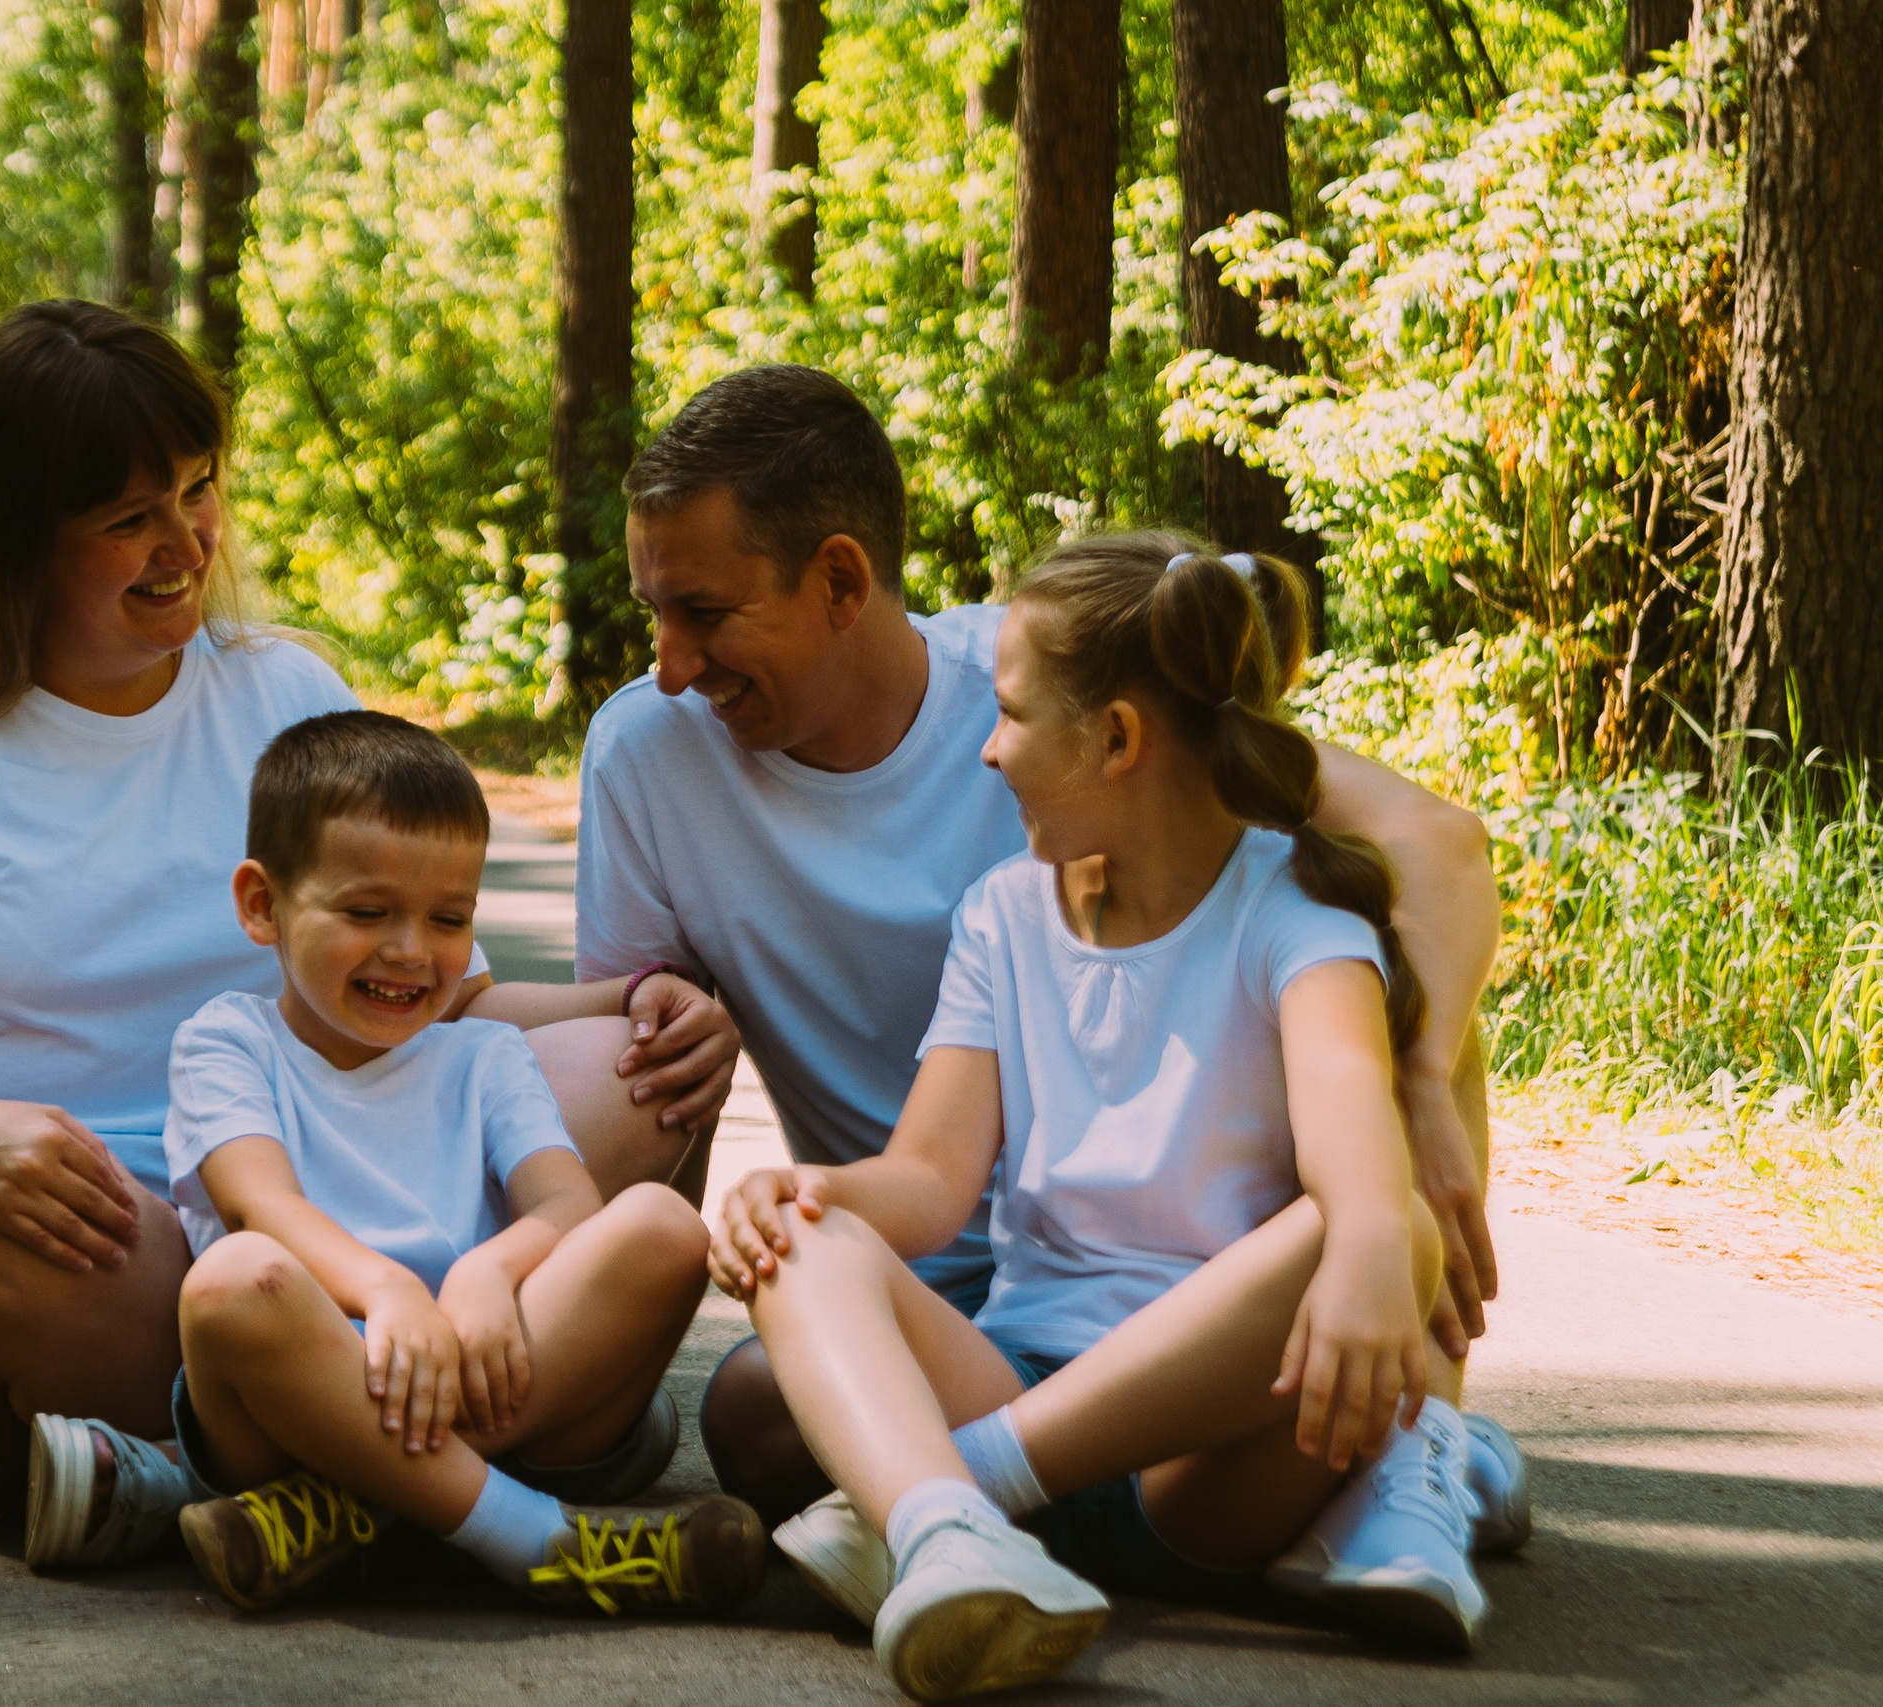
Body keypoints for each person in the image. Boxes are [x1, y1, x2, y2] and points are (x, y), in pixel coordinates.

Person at [0, 301, 739, 1555]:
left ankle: (262, 1488)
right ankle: (531, 1429)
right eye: (127, 519)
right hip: (72, 1251)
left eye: (197, 492)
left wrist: (634, 1011)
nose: (184, 543)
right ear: (6, 537)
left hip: (306, 1235)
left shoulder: (279, 693)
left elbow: (432, 1000)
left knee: (641, 1082)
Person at [573, 364, 1512, 1529]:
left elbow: (1436, 843)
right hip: (936, 1261)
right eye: (651, 611)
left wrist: (1412, 1095)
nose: (667, 662)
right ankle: (997, 1489)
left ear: (839, 581)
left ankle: (1413, 1439)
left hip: (1183, 1268)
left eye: (702, 613)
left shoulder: (1048, 675)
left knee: (1395, 976)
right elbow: (630, 1052)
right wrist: (685, 1040)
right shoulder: (648, 753)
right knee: (752, 1424)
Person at [708, 536, 1495, 1702]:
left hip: (1206, 1453)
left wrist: (1389, 1248)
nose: (985, 748)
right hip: (1014, 1374)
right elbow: (925, 1179)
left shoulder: (1298, 916)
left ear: (1118, 739)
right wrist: (802, 1199)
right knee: (800, 1246)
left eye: (1013, 716)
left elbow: (1357, 1165)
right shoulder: (1002, 914)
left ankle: (939, 1496)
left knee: (1369, 1227)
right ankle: (950, 1535)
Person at [98, 709, 765, 1615]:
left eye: (449, 917)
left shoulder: (482, 1056)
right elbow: (264, 1209)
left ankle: (353, 1511)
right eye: (366, 911)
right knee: (230, 1280)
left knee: (661, 1225)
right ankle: (535, 1538)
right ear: (263, 904)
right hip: (298, 1400)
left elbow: (567, 1204)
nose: (412, 950)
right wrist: (389, 1292)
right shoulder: (228, 1043)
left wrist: (488, 1273)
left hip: (491, 1376)